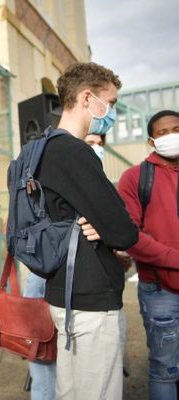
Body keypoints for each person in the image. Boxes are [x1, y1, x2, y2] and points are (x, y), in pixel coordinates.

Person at [35, 62, 138, 399]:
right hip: (93, 299)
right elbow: (124, 232)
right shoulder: (75, 153)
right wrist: (108, 227)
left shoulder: (35, 151)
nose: (112, 111)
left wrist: (102, 224)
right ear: (86, 97)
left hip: (60, 292)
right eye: (110, 102)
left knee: (69, 390)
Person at [117, 109, 179, 399]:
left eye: (176, 129)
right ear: (152, 141)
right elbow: (130, 236)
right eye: (163, 133)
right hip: (160, 292)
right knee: (165, 369)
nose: (171, 136)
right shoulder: (134, 178)